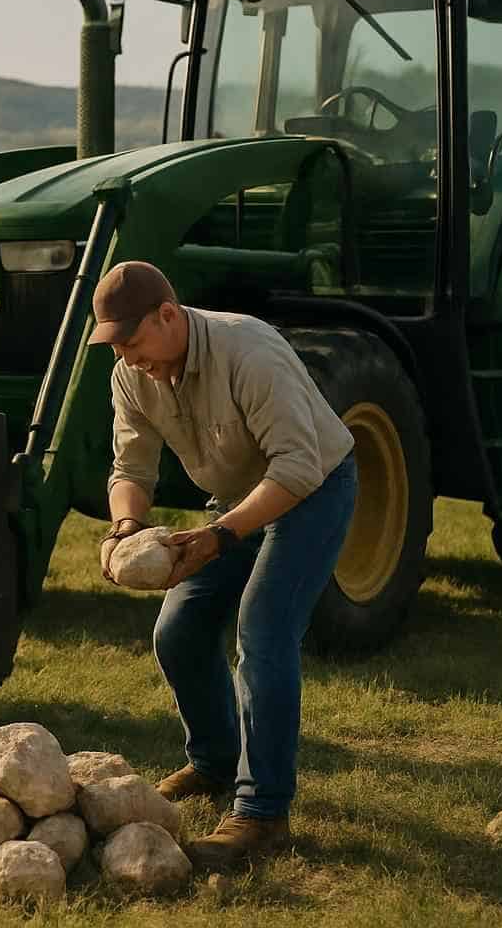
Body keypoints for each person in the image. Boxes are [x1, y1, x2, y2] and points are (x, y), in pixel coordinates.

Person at [89, 260, 358, 871]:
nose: (127, 357)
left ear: (168, 315)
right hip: (234, 501)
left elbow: (296, 467)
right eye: (117, 346)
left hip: (313, 490)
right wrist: (124, 528)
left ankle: (262, 813)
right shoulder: (132, 373)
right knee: (177, 631)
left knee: (262, 631)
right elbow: (130, 469)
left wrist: (220, 535)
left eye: (133, 341)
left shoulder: (249, 351)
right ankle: (214, 763)